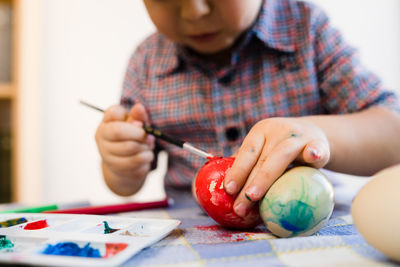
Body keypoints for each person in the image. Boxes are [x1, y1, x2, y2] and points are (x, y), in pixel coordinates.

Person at [95, 0, 400, 218]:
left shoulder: (307, 29)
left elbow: (393, 133)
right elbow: (125, 184)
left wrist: (320, 135)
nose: (195, 11)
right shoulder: (145, 63)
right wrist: (121, 164)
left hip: (308, 232)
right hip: (190, 239)